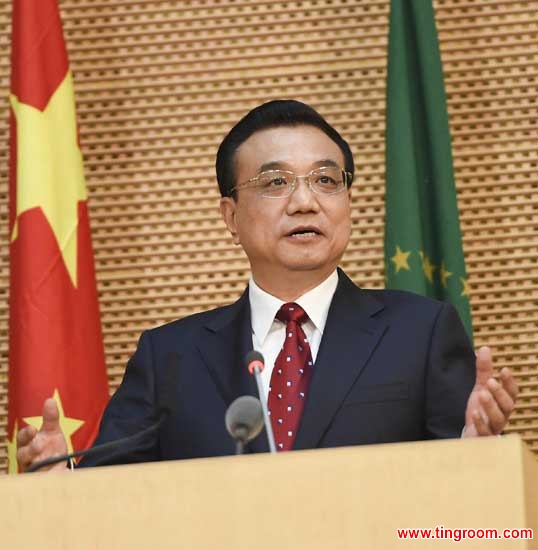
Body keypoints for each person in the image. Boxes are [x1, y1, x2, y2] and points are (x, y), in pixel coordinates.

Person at [16, 100, 518, 471]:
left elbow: (463, 518)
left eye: (326, 180)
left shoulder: (421, 332)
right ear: (230, 217)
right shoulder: (167, 358)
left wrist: (472, 453)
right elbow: (111, 503)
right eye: (276, 183)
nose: (305, 201)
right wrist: (67, 481)